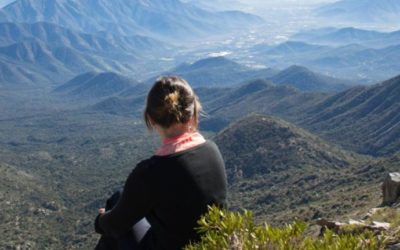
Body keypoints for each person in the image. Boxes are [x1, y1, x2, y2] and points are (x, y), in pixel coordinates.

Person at [94, 76, 228, 250]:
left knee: (114, 211)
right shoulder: (212, 150)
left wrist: (100, 220)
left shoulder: (150, 173)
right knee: (120, 197)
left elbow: (115, 225)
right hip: (212, 245)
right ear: (193, 111)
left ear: (150, 119)